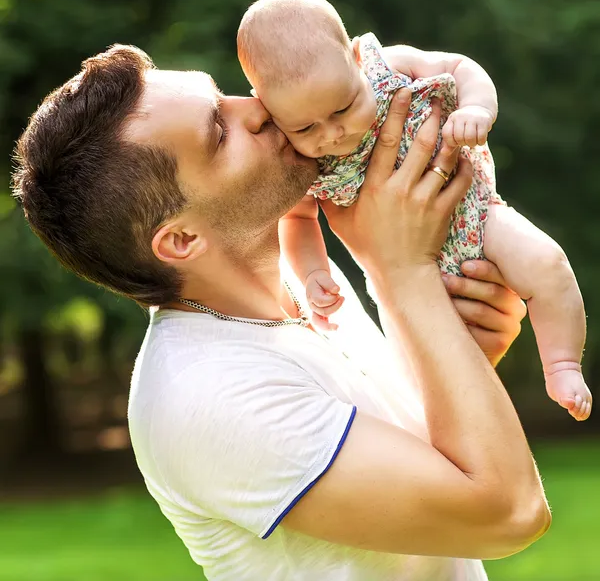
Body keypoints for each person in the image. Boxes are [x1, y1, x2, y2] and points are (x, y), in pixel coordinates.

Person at [12, 43, 550, 581]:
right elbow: (509, 515)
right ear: (180, 240)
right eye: (219, 134)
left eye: (224, 95)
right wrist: (404, 271)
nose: (259, 107)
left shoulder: (301, 285)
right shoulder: (206, 395)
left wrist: (464, 349)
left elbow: (429, 456)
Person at [237, 0, 591, 421]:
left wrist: (478, 106)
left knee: (547, 264)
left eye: (345, 107)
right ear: (266, 106)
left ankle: (561, 365)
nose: (333, 133)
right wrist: (313, 274)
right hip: (404, 282)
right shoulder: (298, 161)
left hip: (477, 217)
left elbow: (459, 67)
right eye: (306, 127)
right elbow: (296, 220)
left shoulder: (388, 64)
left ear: (355, 58)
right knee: (421, 384)